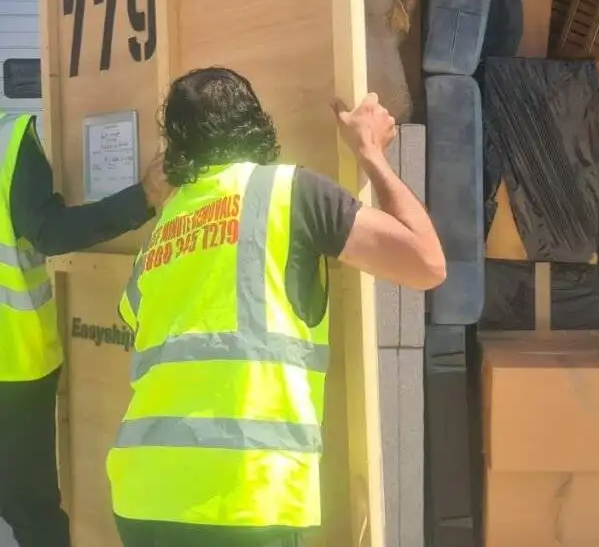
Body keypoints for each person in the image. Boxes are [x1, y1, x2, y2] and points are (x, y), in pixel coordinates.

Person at [107, 66, 445, 547]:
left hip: (143, 496)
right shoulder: (289, 193)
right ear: (257, 123)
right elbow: (426, 264)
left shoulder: (167, 227)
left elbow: (133, 316)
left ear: (177, 146)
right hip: (243, 499)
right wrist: (371, 153)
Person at [0, 111, 172, 547]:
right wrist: (144, 197)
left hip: (16, 368)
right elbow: (50, 234)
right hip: (14, 368)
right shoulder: (10, 139)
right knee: (30, 510)